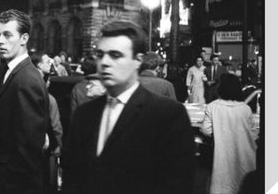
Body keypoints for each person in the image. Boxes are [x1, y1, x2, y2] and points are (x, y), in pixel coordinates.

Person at [65, 21, 195, 194]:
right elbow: (73, 179)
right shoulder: (84, 114)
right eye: (100, 54)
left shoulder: (167, 115)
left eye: (115, 55)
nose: (104, 62)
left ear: (138, 61)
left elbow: (177, 185)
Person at [0, 9, 49, 194]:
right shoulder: (4, 71)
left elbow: (27, 152)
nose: (0, 40)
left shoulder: (28, 80)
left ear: (24, 39)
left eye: (7, 35)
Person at [200, 74, 258, 194]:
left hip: (222, 155)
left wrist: (221, 133)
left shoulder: (213, 107)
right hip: (245, 155)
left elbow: (206, 130)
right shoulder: (245, 108)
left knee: (223, 185)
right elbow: (254, 134)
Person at [31, 51, 63, 191]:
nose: (50, 64)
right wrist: (58, 145)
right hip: (42, 146)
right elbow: (55, 126)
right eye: (46, 62)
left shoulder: (28, 83)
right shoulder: (47, 97)